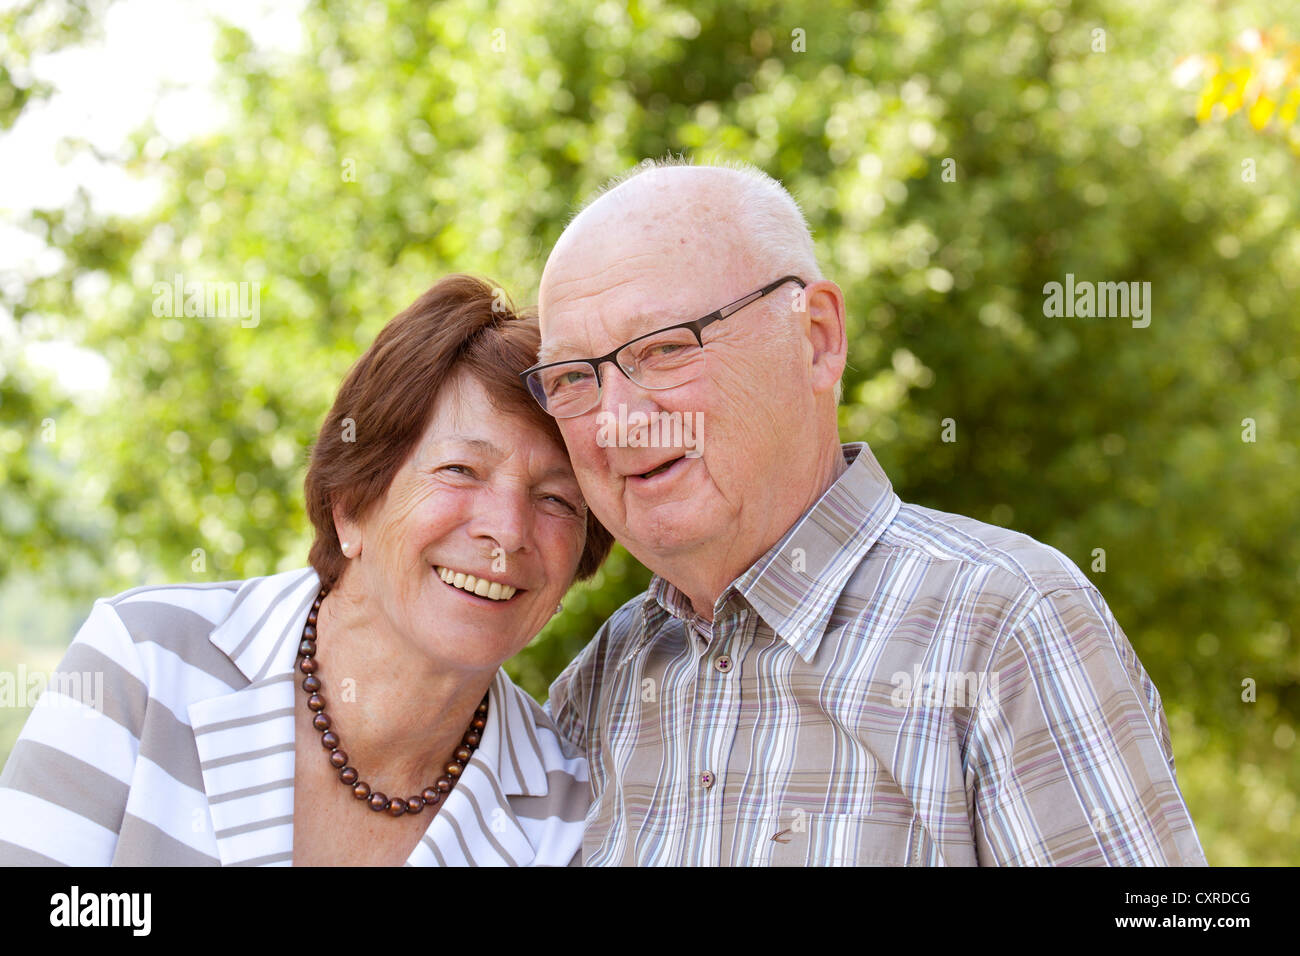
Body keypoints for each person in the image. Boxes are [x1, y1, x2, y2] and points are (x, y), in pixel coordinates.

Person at [525, 158, 1208, 866]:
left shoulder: (1004, 623)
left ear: (816, 337)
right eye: (574, 377)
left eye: (665, 348)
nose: (618, 421)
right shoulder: (597, 685)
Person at [0, 274, 611, 866]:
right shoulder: (144, 662)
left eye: (557, 499)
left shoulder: (570, 818)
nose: (507, 531)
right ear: (351, 504)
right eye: (460, 470)